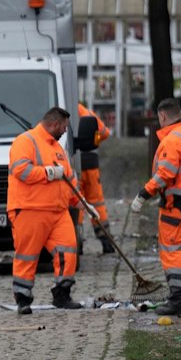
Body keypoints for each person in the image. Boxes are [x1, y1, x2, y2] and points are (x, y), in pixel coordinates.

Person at [132, 97, 181, 318]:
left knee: (172, 253)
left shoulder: (173, 140)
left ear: (162, 116)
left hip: (176, 206)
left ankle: (178, 302)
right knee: (180, 253)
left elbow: (165, 174)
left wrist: (143, 194)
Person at [7, 107, 83, 314]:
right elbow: (20, 170)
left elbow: (70, 180)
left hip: (58, 212)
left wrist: (82, 202)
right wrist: (49, 172)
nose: (65, 131)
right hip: (29, 209)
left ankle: (62, 294)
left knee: (68, 250)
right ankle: (23, 299)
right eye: (64, 127)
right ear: (54, 124)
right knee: (27, 255)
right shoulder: (25, 141)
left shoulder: (58, 149)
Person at [73, 102, 115, 254]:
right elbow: (105, 132)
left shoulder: (62, 110)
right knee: (96, 202)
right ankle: (106, 242)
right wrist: (93, 141)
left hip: (72, 164)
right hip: (91, 163)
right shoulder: (87, 114)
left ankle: (76, 242)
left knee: (75, 201)